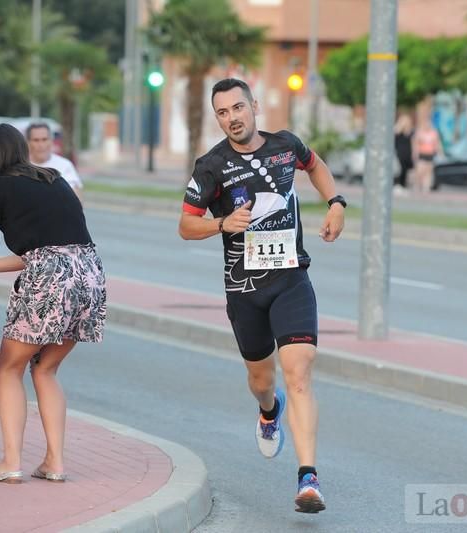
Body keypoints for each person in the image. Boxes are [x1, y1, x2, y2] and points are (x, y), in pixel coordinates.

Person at [179, 78, 345, 513]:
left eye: (238, 108)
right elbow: (185, 225)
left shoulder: (286, 145)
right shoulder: (210, 166)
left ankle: (308, 478)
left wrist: (336, 202)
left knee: (300, 372)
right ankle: (269, 412)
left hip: (291, 279)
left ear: (255, 105)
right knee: (262, 381)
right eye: (223, 113)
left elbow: (316, 166)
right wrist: (220, 224)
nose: (232, 118)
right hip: (244, 290)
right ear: (217, 118)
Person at [0, 123, 105, 484]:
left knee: (10, 368)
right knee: (45, 369)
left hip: (49, 281)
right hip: (87, 275)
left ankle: (10, 462)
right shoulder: (53, 179)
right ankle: (54, 463)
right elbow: (43, 250)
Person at [26, 122, 83, 202]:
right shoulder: (22, 166)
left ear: (51, 141)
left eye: (44, 139)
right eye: (36, 140)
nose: (41, 145)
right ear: (28, 142)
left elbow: (76, 200)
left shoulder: (65, 165)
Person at [412, 119, 440, 193]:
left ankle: (426, 187)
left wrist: (437, 151)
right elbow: (416, 143)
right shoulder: (420, 133)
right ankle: (417, 185)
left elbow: (436, 143)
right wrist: (415, 153)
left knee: (428, 171)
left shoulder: (434, 133)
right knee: (420, 170)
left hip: (430, 154)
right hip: (422, 153)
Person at [394, 114, 414, 190]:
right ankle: (398, 184)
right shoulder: (398, 130)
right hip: (399, 152)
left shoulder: (410, 131)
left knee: (405, 169)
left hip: (407, 153)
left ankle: (403, 185)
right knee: (399, 169)